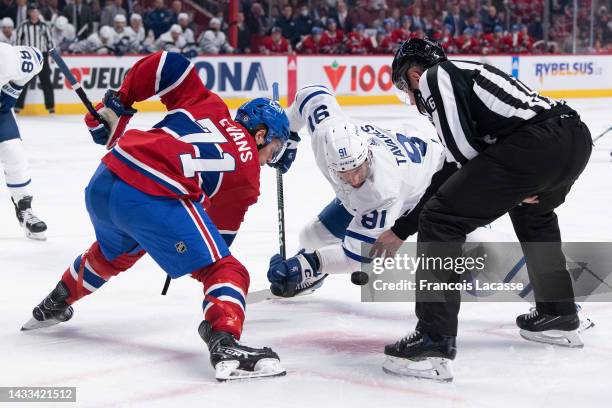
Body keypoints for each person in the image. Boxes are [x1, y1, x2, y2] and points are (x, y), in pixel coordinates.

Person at [21, 50, 291, 381]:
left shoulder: (210, 104)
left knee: (116, 253)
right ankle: (224, 340)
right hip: (152, 192)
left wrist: (117, 105)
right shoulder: (249, 176)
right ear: (260, 134)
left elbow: (169, 64)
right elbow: (216, 248)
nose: (270, 158)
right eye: (274, 148)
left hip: (106, 180)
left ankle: (57, 299)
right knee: (228, 269)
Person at [372, 38, 592, 381]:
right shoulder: (465, 79)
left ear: (414, 75)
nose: (413, 101)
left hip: (536, 145)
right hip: (572, 139)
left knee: (441, 219)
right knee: (534, 216)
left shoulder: (435, 77)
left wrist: (499, 191)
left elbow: (462, 157)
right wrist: (402, 230)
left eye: (405, 89)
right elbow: (449, 172)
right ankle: (558, 314)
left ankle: (433, 340)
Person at [266, 84, 445, 297]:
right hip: (407, 159)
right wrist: (289, 136)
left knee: (479, 258)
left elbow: (356, 258)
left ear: (367, 153)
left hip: (435, 180)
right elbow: (312, 94)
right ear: (331, 164)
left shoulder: (381, 190)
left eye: (358, 169)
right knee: (311, 237)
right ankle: (313, 279)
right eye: (344, 173)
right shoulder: (326, 132)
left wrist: (309, 263)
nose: (354, 179)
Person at [0, 42, 47, 239]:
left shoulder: (6, 57)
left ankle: (24, 208)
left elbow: (36, 59)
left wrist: (12, 92)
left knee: (14, 152)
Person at [14, 4, 54, 114]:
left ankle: (51, 107)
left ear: (39, 13)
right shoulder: (23, 26)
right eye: (32, 11)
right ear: (29, 13)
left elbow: (50, 41)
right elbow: (17, 42)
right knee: (23, 81)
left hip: (42, 56)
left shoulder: (45, 26)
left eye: (36, 12)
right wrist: (18, 55)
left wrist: (53, 55)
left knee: (46, 82)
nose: (34, 14)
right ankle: (18, 106)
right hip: (28, 56)